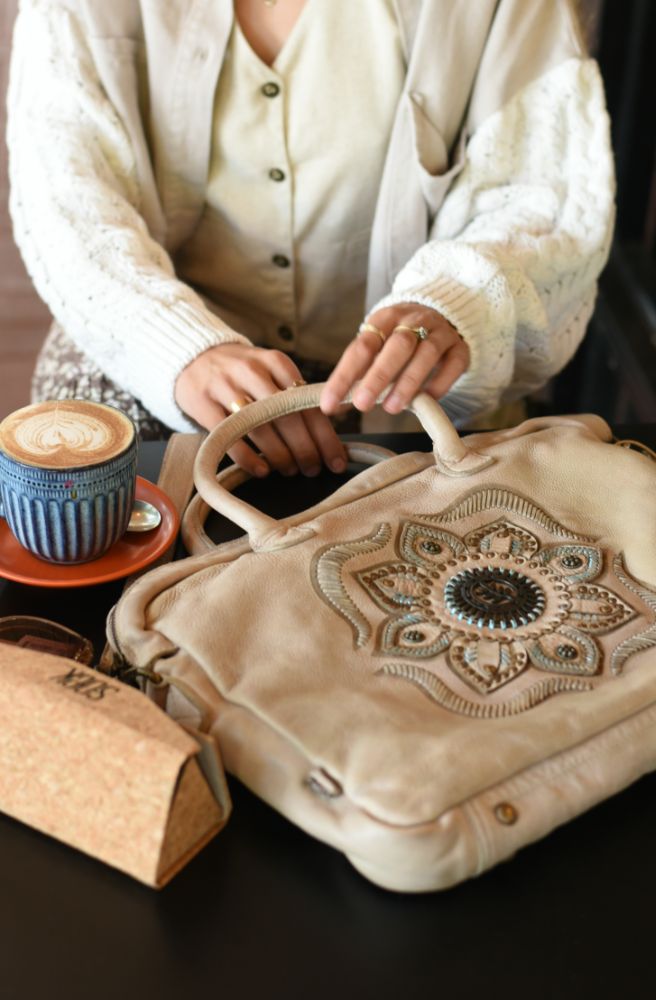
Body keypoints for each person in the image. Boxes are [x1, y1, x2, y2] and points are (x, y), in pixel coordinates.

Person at [7, 0, 614, 479]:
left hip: (410, 367)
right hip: (160, 330)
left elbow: (538, 191)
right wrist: (182, 351)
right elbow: (67, 196)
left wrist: (458, 300)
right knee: (80, 516)